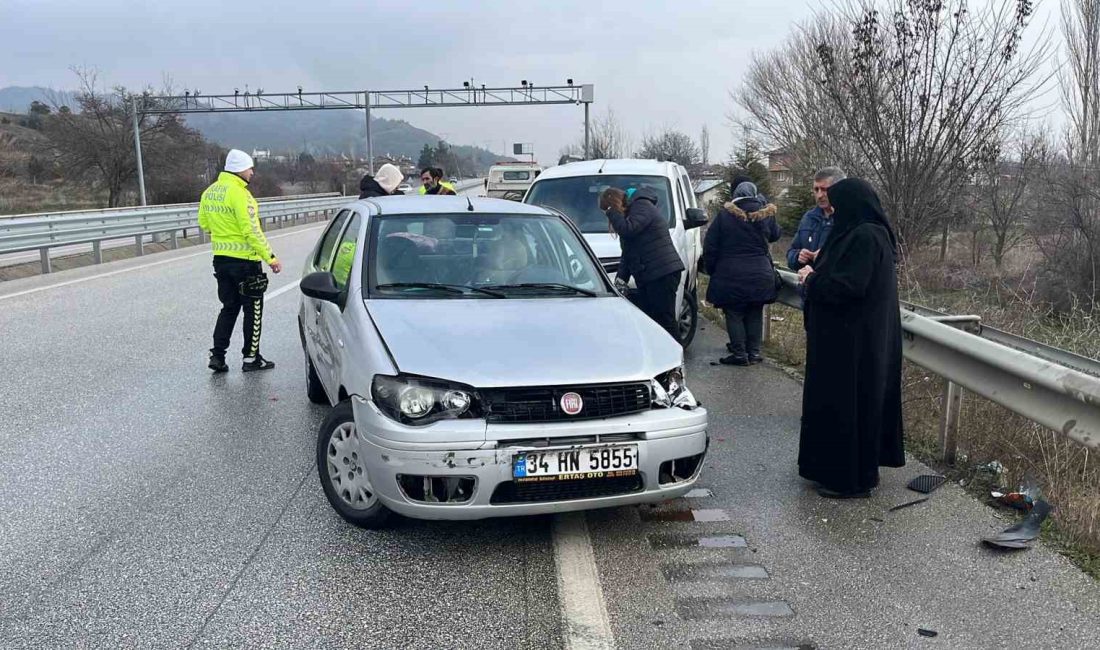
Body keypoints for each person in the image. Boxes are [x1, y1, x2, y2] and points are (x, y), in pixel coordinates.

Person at [796, 178, 904, 499]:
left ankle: (850, 480)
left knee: (848, 408)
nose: (834, 211)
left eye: (838, 205)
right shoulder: (865, 233)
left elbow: (848, 287)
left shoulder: (866, 236)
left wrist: (811, 279)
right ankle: (835, 471)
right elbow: (846, 273)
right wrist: (819, 263)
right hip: (848, 340)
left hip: (853, 345)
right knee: (844, 407)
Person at [198, 149, 282, 373]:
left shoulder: (209, 192)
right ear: (239, 169)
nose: (252, 172)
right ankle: (250, 358)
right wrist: (270, 257)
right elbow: (252, 231)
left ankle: (217, 355)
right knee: (253, 310)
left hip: (221, 261)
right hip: (246, 263)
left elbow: (204, 224)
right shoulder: (241, 195)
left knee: (228, 307)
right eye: (249, 168)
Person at [703, 181, 781, 365]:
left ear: (736, 195)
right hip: (761, 273)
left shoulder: (724, 216)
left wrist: (713, 269)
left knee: (734, 312)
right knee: (755, 311)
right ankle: (753, 353)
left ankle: (739, 354)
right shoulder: (766, 214)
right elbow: (776, 235)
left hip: (730, 273)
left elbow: (710, 246)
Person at [600, 186, 685, 342]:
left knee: (665, 320)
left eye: (607, 210)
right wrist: (620, 279)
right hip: (652, 274)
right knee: (653, 319)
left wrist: (612, 212)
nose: (608, 216)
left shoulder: (641, 206)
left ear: (614, 204)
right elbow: (629, 252)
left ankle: (676, 357)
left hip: (661, 273)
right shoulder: (633, 213)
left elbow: (628, 230)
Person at [786, 167, 846, 270]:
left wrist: (827, 256)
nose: (819, 195)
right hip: (808, 283)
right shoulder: (809, 218)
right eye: (816, 189)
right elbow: (791, 252)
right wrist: (798, 256)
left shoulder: (848, 219)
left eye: (824, 190)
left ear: (838, 189)